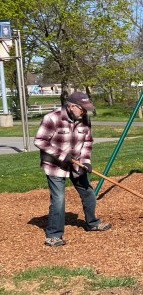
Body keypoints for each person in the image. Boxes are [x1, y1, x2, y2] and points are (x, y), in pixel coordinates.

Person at [34, 91, 111, 247]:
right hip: (55, 165)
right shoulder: (52, 118)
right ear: (71, 106)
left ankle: (93, 223)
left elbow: (88, 141)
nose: (84, 112)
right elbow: (40, 141)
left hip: (77, 164)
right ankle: (53, 235)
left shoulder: (84, 119)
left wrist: (86, 160)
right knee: (59, 199)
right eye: (82, 108)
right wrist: (62, 155)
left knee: (88, 192)